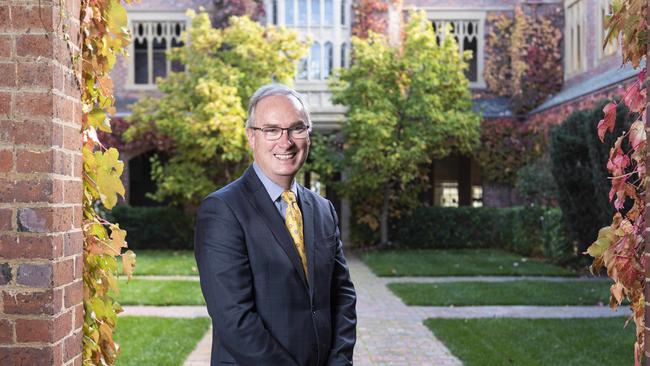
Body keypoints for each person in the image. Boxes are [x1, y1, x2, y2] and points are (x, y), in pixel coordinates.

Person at [194, 83, 357, 366]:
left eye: (296, 128)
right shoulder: (222, 210)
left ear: (308, 135)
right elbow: (234, 319)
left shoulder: (323, 210)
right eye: (271, 130)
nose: (286, 142)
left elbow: (342, 296)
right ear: (251, 137)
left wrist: (339, 362)